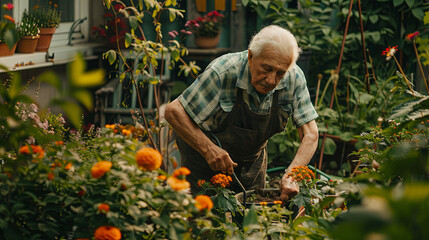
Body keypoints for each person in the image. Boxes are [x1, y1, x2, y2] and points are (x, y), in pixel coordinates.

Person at [165, 25, 318, 201]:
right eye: (267, 69)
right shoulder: (223, 72)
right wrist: (208, 150)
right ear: (251, 56)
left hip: (251, 162)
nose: (271, 80)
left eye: (280, 73)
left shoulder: (294, 78)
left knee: (252, 218)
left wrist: (292, 175)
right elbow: (174, 111)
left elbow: (311, 134)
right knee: (206, 221)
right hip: (205, 160)